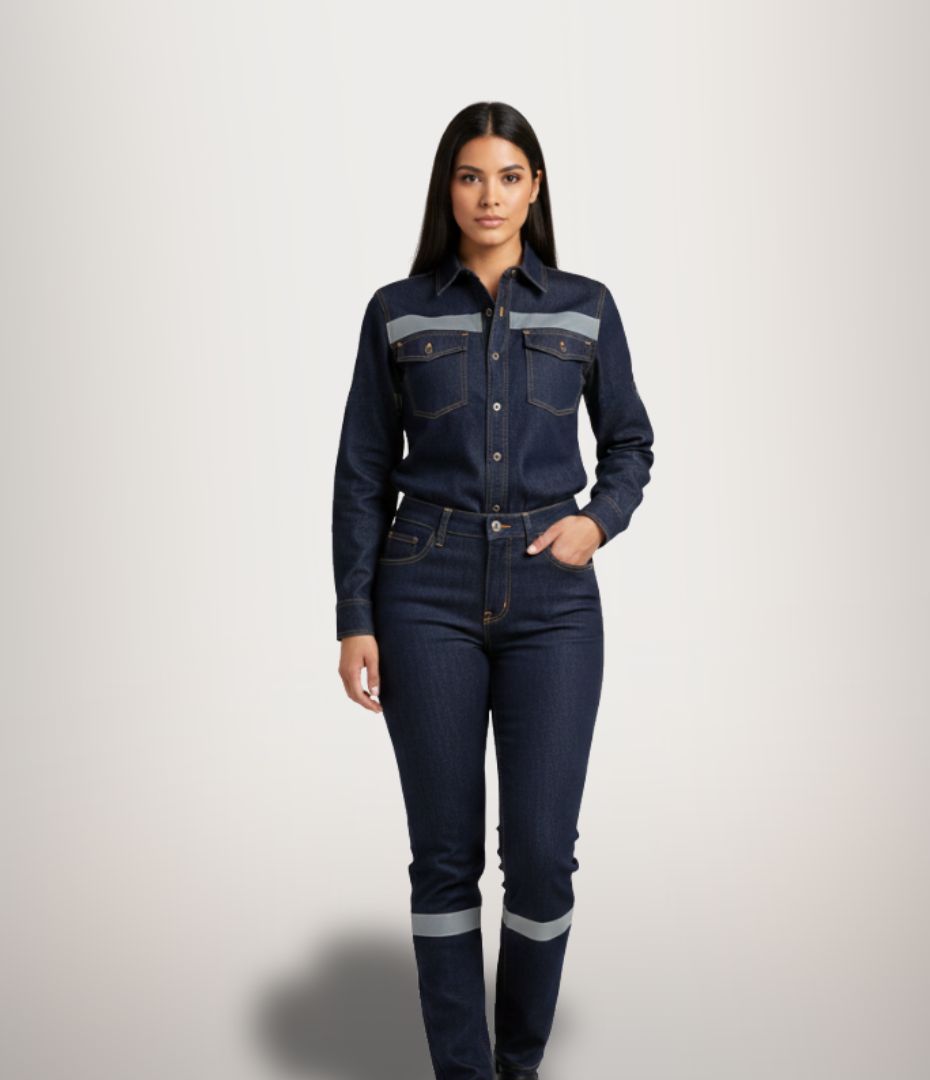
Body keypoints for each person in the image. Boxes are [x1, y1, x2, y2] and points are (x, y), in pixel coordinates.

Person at [331, 101, 655, 1080]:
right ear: (449, 188)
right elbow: (361, 472)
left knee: (543, 856)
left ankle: (519, 1063)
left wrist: (598, 520)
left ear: (535, 188)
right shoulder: (397, 310)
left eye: (508, 176)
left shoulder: (586, 307)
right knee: (444, 857)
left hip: (553, 600)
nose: (489, 195)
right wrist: (354, 618)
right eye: (471, 176)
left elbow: (631, 443)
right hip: (421, 591)